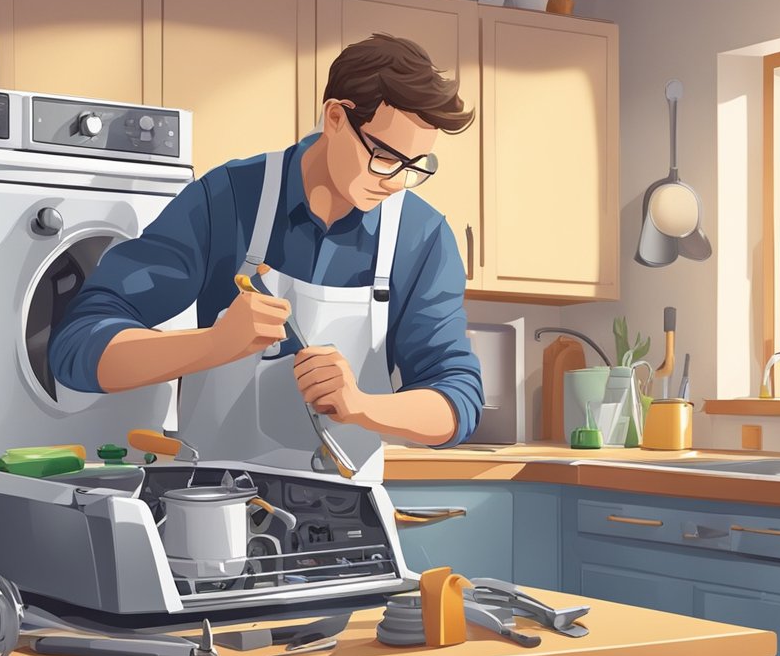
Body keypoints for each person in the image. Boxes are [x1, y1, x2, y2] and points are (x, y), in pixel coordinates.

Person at [49, 33, 483, 478]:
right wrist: (215, 344)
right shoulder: (230, 200)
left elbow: (459, 400)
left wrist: (362, 406)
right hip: (214, 505)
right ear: (335, 117)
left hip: (352, 510)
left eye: (415, 165)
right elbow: (76, 347)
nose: (395, 182)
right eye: (385, 157)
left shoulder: (421, 237)